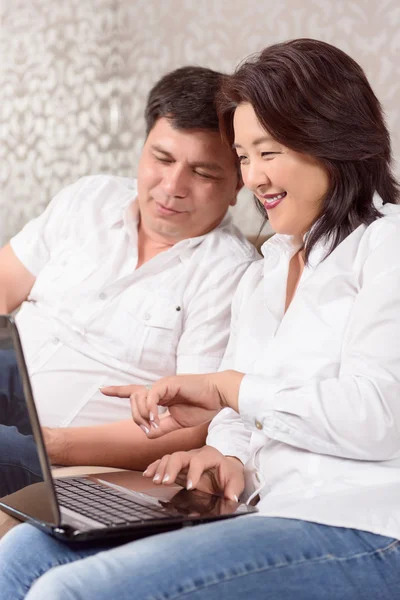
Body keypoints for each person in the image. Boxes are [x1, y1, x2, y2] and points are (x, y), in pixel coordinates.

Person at [2, 37, 400, 599]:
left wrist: (226, 390)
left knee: (67, 592)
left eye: (269, 151)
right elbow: (241, 416)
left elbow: (379, 416)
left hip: (363, 521)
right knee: (25, 553)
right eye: (244, 156)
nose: (257, 177)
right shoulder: (269, 269)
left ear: (330, 139)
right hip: (267, 508)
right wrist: (225, 452)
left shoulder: (388, 247)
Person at [0, 65, 258, 495]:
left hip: (59, 458)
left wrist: (53, 443)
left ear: (237, 185)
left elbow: (188, 429)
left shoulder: (231, 275)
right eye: (161, 158)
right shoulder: (89, 199)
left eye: (203, 173)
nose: (172, 186)